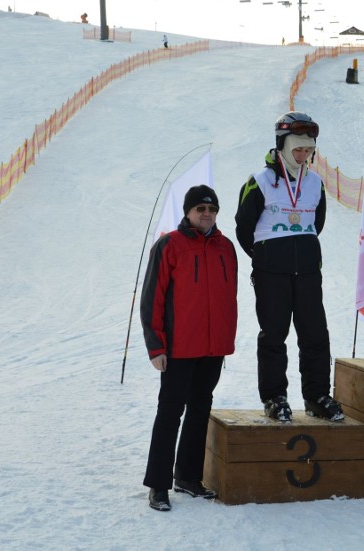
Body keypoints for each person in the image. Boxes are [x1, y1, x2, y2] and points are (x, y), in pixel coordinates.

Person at [235, 112, 344, 424]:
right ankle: (274, 397)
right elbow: (244, 228)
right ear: (282, 145)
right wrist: (268, 256)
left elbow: (316, 224)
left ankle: (317, 395)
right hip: (272, 274)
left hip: (308, 271)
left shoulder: (315, 184)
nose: (303, 155)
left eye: (308, 150)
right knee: (273, 336)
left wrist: (300, 251)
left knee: (315, 335)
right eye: (298, 149)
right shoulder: (259, 182)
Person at [140, 185, 238, 511]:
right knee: (170, 413)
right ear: (188, 212)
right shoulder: (170, 245)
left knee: (200, 411)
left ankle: (188, 476)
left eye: (211, 209)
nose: (206, 214)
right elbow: (152, 297)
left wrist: (225, 340)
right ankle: (158, 484)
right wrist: (156, 346)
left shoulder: (226, 247)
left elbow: (228, 298)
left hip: (213, 349)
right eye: (200, 209)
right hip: (179, 349)